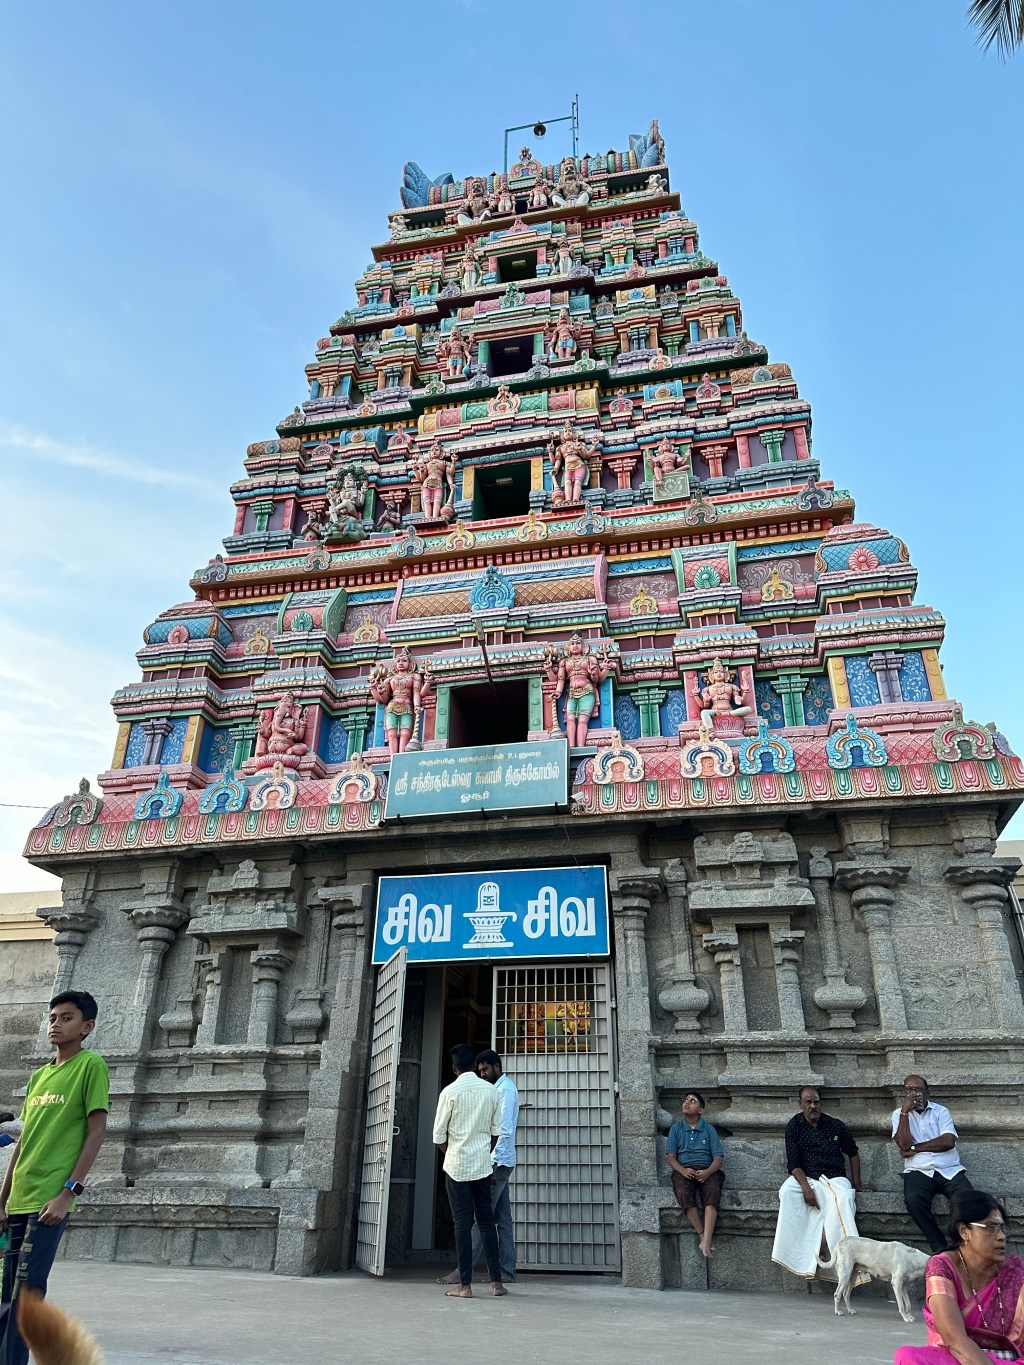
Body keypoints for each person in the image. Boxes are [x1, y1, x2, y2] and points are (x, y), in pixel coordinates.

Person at [0, 990, 109, 1365]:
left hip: (49, 1201)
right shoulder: (39, 1077)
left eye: (66, 1018)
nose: (56, 1024)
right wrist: (1, 1200)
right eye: (52, 1018)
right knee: (5, 1295)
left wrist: (68, 1193)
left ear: (86, 1027)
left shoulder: (90, 1065)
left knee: (27, 1294)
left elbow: (96, 1132)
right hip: (18, 1199)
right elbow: (24, 1141)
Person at [894, 1189, 1024, 1364]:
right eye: (991, 1227)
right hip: (959, 1358)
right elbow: (954, 1340)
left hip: (1008, 1360)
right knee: (908, 1357)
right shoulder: (942, 1266)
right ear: (964, 1231)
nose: (1001, 1237)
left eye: (1002, 1229)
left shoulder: (1015, 1273)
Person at [438, 1049, 520, 1286]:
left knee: (479, 1218)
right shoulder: (498, 1089)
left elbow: (502, 1131)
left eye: (486, 1069)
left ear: (497, 1066)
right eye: (479, 1070)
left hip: (497, 1162)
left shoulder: (504, 1090)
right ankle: (506, 1272)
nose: (482, 1074)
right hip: (501, 1161)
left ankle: (463, 1271)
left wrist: (491, 1163)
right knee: (503, 1219)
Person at [771, 1085, 865, 1280]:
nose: (813, 1106)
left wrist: (857, 1184)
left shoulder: (835, 1125)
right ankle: (799, 1254)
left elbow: (853, 1153)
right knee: (786, 1192)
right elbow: (794, 1163)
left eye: (816, 1102)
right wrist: (806, 1188)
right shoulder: (794, 1125)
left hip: (834, 1177)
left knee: (844, 1200)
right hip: (807, 1177)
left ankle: (839, 1258)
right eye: (808, 1102)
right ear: (801, 1104)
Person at [893, 1075, 973, 1254]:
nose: (914, 1094)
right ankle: (940, 1248)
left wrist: (915, 1147)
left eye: (918, 1090)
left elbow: (948, 1141)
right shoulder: (898, 1115)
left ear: (927, 1092)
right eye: (909, 1090)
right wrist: (905, 1113)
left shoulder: (941, 1111)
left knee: (967, 1199)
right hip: (918, 1170)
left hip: (949, 1169)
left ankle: (961, 1244)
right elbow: (903, 1144)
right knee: (914, 1200)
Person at [666, 1091, 725, 1258]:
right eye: (685, 1100)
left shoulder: (709, 1129)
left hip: (707, 1169)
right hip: (684, 1170)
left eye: (692, 1101)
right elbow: (670, 1157)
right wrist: (683, 1171)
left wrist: (707, 1173)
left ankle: (708, 1237)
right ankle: (702, 1235)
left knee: (713, 1190)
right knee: (683, 1192)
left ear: (700, 1110)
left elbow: (718, 1158)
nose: (686, 1103)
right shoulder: (676, 1129)